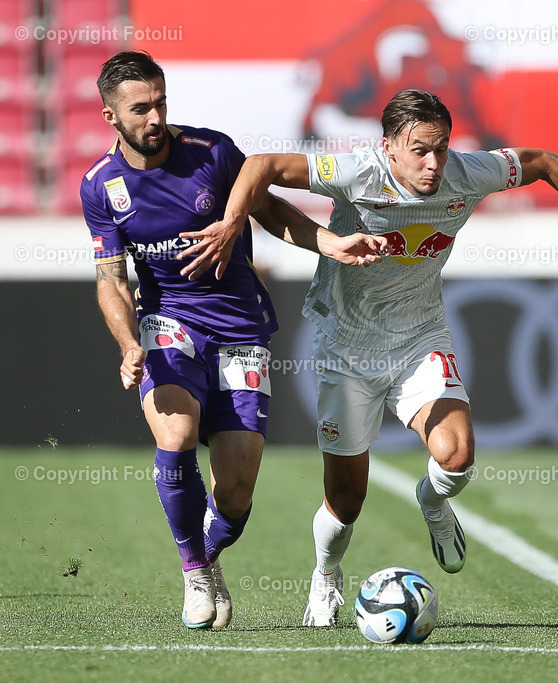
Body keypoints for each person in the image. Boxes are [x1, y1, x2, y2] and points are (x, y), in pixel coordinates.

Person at [179, 88, 558, 626]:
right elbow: (261, 166)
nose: (433, 162)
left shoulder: (467, 174)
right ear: (389, 148)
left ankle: (433, 501)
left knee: (458, 455)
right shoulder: (357, 171)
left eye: (442, 148)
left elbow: (543, 162)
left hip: (419, 338)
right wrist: (232, 223)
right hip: (346, 347)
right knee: (347, 498)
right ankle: (325, 577)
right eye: (420, 149)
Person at [81, 51, 384, 630]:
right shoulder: (101, 186)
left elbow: (270, 210)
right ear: (109, 116)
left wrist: (329, 243)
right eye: (140, 108)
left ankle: (210, 551)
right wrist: (127, 344)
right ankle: (194, 569)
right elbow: (111, 280)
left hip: (241, 326)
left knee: (237, 494)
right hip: (168, 320)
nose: (154, 117)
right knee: (177, 434)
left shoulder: (213, 153)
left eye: (160, 102)